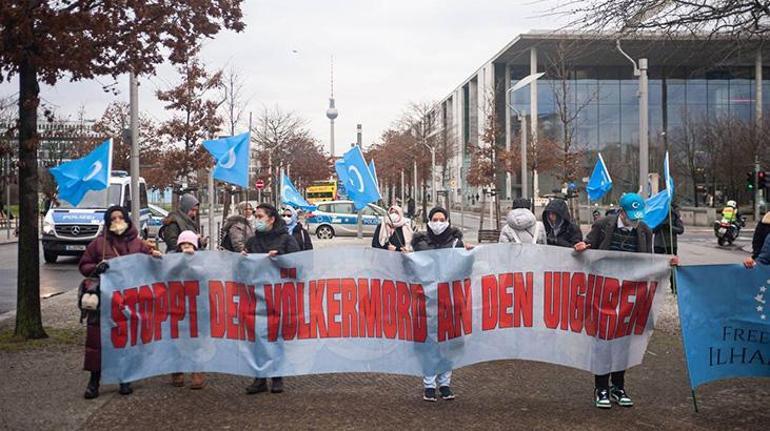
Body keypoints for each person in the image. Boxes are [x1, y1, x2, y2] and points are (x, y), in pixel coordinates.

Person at [574, 193, 652, 409]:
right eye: (631, 216)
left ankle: (618, 385)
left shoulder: (644, 230)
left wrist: (669, 262)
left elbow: (651, 260)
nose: (635, 221)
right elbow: (588, 246)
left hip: (629, 294)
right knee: (603, 339)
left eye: (638, 217)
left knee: (624, 341)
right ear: (621, 212)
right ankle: (601, 387)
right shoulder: (603, 225)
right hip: (603, 292)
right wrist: (581, 247)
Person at [79, 205, 162, 399]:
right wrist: (96, 268)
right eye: (113, 218)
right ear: (108, 222)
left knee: (126, 338)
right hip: (104, 301)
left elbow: (150, 266)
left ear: (127, 219)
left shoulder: (139, 244)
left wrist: (156, 258)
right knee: (97, 341)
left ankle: (125, 378)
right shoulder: (98, 244)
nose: (117, 222)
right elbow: (84, 265)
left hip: (129, 301)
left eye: (120, 217)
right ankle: (94, 381)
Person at [410, 207, 469, 402]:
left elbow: (464, 269)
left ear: (447, 221)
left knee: (447, 344)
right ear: (429, 221)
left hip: (449, 301)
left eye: (441, 219)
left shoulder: (455, 243)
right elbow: (412, 270)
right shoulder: (420, 244)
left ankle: (444, 384)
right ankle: (429, 385)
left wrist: (468, 255)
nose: (437, 222)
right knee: (429, 344)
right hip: (426, 301)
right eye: (434, 219)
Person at [243, 203, 300, 395]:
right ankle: (259, 378)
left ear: (271, 219)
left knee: (276, 337)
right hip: (257, 297)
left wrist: (281, 257)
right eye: (254, 216)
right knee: (257, 337)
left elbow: (299, 266)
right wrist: (241, 260)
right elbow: (243, 272)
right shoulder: (252, 242)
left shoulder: (286, 240)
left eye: (259, 216)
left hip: (278, 298)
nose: (255, 220)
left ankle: (277, 376)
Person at [170, 230, 207, 389]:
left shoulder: (202, 259)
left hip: (195, 305)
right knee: (176, 339)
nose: (186, 247)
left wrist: (193, 261)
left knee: (196, 340)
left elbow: (205, 275)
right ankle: (177, 371)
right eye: (183, 244)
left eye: (190, 244)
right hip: (177, 304)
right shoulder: (172, 258)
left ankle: (196, 371)